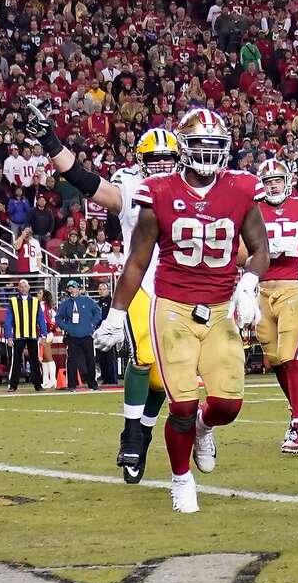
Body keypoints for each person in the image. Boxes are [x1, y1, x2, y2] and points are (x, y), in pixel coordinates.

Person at [94, 108, 269, 513]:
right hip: (172, 307)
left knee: (226, 406)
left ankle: (206, 430)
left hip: (222, 305)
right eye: (200, 146)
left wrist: (248, 283)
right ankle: (180, 479)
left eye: (215, 146)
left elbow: (259, 250)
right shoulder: (157, 191)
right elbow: (137, 261)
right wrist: (117, 313)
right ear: (183, 148)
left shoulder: (243, 188)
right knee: (183, 405)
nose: (207, 155)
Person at [25, 101, 181, 484]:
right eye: (154, 159)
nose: (161, 165)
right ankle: (132, 432)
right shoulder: (130, 184)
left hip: (184, 285)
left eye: (168, 158)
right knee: (144, 355)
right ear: (142, 161)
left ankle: (143, 431)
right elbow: (84, 180)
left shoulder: (194, 184)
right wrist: (49, 140)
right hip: (143, 283)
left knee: (170, 378)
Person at [254, 158, 298, 455]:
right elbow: (241, 249)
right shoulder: (253, 208)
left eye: (277, 180)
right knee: (274, 359)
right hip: (262, 288)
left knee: (290, 356)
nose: (273, 185)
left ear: (288, 180)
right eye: (267, 182)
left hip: (293, 286)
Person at [57, 280, 102, 391]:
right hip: (72, 336)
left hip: (86, 335)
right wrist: (66, 327)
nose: (72, 290)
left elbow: (98, 311)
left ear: (78, 289)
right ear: (67, 290)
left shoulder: (86, 300)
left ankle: (93, 384)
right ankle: (72, 385)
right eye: (69, 288)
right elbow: (58, 317)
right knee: (72, 360)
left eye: (74, 287)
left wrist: (92, 323)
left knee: (90, 359)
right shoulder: (65, 304)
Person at [4, 278, 45, 392]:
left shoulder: (36, 301)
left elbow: (41, 319)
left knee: (35, 360)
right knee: (16, 361)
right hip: (18, 335)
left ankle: (38, 384)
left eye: (25, 286)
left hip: (32, 335)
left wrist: (43, 334)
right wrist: (8, 336)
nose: (23, 289)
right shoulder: (12, 301)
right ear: (18, 288)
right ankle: (13, 385)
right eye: (21, 287)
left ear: (29, 287)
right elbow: (8, 320)